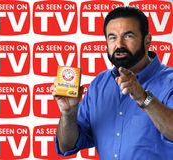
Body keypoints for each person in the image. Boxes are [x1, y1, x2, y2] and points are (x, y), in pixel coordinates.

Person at [50, 6, 173, 160]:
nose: (119, 44)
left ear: (147, 41)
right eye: (112, 37)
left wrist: (143, 98)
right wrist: (68, 113)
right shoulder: (99, 84)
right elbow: (66, 145)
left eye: (128, 36)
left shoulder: (170, 82)